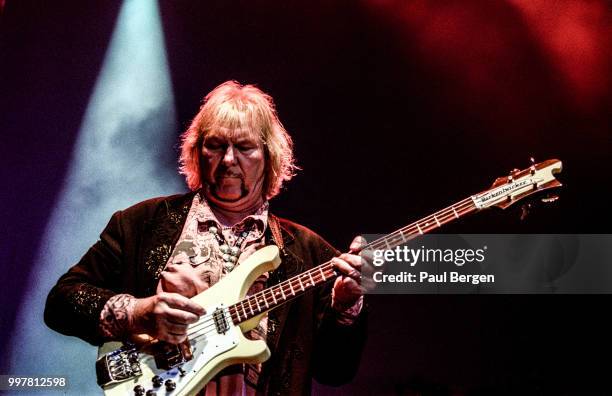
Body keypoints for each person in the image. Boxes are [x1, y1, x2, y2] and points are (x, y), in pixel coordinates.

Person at [44, 81, 367, 395]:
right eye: (215, 145)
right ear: (197, 151)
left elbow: (335, 372)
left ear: (270, 157)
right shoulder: (142, 223)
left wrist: (345, 308)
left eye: (244, 147)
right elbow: (62, 302)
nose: (228, 159)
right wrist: (138, 312)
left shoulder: (307, 250)